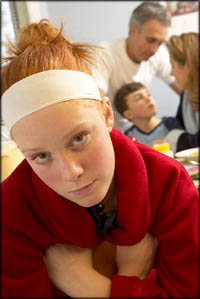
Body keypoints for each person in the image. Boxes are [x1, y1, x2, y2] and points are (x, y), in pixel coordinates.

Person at [1, 19, 198, 298]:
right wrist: (131, 282)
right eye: (41, 156)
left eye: (79, 139)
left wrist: (86, 286)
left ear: (107, 115)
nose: (71, 172)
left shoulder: (167, 182)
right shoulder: (12, 210)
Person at [91, 2, 182, 131]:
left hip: (139, 130)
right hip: (112, 131)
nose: (155, 49)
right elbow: (95, 103)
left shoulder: (158, 54)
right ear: (133, 31)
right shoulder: (105, 53)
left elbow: (183, 89)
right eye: (151, 40)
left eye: (160, 43)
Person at [113, 82, 183, 145]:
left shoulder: (171, 124)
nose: (148, 99)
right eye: (139, 98)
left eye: (148, 95)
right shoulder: (128, 138)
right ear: (129, 114)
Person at [164, 32, 199, 152]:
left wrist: (173, 139)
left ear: (188, 66)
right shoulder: (187, 94)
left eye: (173, 66)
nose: (171, 73)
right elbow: (179, 124)